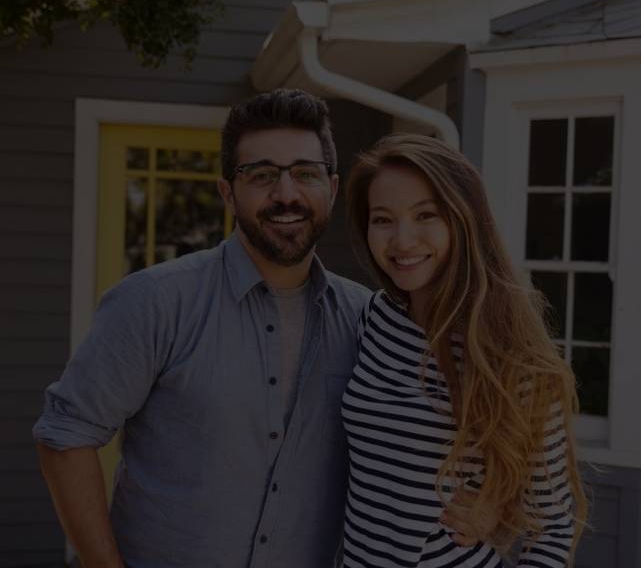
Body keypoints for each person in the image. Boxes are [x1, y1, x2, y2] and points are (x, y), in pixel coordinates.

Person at [33, 89, 490, 568]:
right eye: (262, 176)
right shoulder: (154, 302)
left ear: (332, 189)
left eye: (306, 174)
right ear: (228, 191)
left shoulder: (371, 322)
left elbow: (451, 434)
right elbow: (66, 435)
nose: (287, 194)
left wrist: (493, 501)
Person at [342, 134, 587, 568]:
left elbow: (554, 526)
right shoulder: (373, 318)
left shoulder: (512, 357)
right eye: (383, 219)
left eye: (425, 215)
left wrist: (501, 507)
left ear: (463, 220)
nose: (402, 240)